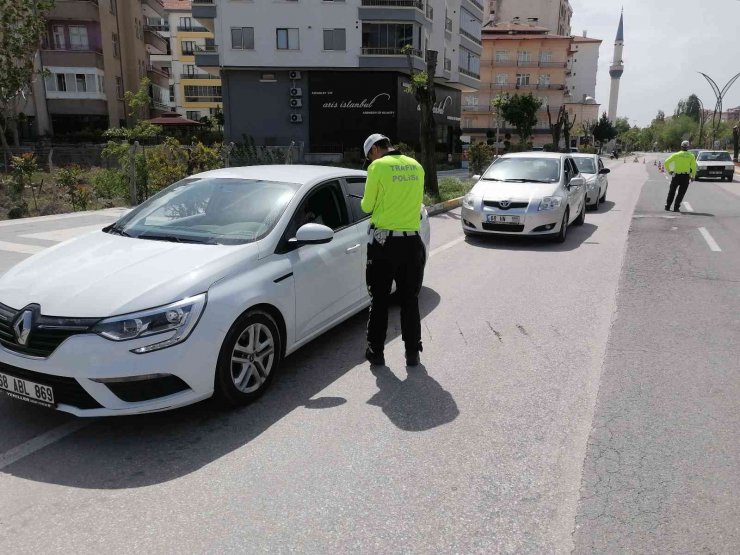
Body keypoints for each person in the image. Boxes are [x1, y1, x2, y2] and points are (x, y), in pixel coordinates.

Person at [360, 133, 425, 367]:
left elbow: (367, 205)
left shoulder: (378, 167)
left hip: (384, 243)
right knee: (410, 299)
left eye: (370, 155)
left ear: (376, 149)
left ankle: (376, 352)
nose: (370, 160)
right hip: (412, 243)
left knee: (379, 300)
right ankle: (412, 353)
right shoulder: (416, 166)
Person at [664, 140, 697, 213]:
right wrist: (693, 176)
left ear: (681, 146)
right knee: (681, 193)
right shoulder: (691, 156)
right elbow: (694, 167)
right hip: (685, 177)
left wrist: (670, 171)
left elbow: (666, 162)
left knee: (672, 191)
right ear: (688, 147)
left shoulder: (676, 154)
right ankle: (676, 207)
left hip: (676, 176)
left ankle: (667, 206)